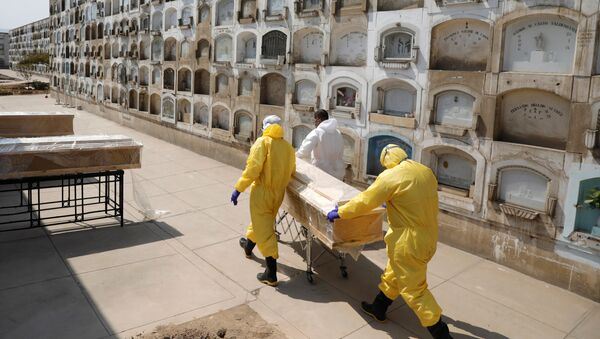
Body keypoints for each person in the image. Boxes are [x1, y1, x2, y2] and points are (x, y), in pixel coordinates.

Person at [326, 144, 453, 339]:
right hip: (428, 236)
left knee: (415, 290)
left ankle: (442, 334)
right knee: (394, 273)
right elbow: (416, 197)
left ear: (386, 161)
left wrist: (341, 212)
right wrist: (394, 200)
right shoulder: (424, 171)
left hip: (407, 242)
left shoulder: (389, 177)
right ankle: (379, 307)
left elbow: (364, 201)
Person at [230, 115, 296, 287]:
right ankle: (248, 246)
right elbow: (292, 171)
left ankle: (271, 273)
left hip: (262, 193)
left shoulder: (263, 142)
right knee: (263, 222)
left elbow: (252, 169)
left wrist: (238, 188)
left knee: (265, 230)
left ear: (265, 127)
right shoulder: (288, 147)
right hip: (278, 193)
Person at [296, 109, 345, 180]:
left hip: (321, 174)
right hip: (337, 175)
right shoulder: (338, 133)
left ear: (318, 119)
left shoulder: (317, 133)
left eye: (314, 120)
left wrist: (294, 157)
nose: (314, 123)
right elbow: (341, 152)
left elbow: (304, 151)